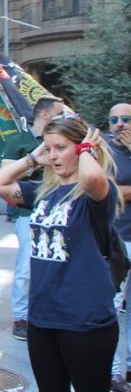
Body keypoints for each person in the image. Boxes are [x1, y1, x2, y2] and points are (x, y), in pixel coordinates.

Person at [0, 118, 121, 392]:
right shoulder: (42, 192)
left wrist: (86, 150)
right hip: (42, 317)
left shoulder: (96, 192)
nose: (54, 156)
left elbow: (91, 178)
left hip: (84, 319)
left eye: (61, 148)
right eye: (49, 148)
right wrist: (34, 158)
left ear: (81, 149)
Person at [0, 95, 65, 340]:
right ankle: (21, 317)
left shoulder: (60, 139)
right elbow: (5, 175)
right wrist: (36, 161)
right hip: (29, 212)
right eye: (60, 113)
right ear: (45, 114)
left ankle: (48, 312)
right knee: (26, 267)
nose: (64, 117)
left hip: (59, 212)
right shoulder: (19, 140)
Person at [107, 103, 131, 391]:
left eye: (126, 119)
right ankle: (114, 372)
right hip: (118, 239)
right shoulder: (107, 152)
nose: (120, 124)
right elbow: (110, 190)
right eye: (114, 120)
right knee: (114, 308)